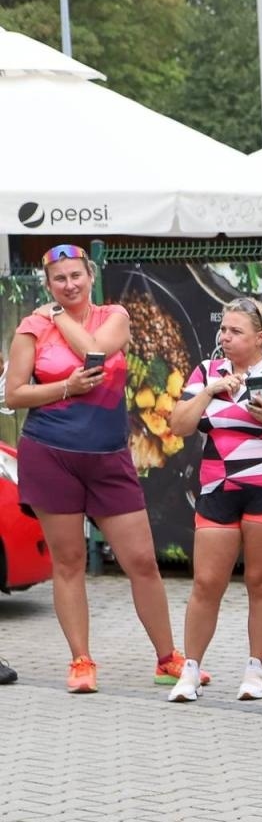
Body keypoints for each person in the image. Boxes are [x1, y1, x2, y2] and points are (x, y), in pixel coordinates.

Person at [4, 244, 196, 693]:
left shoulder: (114, 317)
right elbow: (14, 395)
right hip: (50, 453)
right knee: (69, 562)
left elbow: (94, 351)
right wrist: (65, 388)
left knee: (142, 561)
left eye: (76, 276)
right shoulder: (29, 330)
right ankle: (81, 661)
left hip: (110, 456)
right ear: (48, 283)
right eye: (59, 279)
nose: (69, 285)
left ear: (90, 276)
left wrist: (57, 317)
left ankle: (168, 659)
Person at [165, 298, 262, 703]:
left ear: (259, 338)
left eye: (235, 331)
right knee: (206, 583)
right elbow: (178, 425)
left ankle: (256, 670)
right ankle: (190, 671)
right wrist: (210, 390)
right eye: (223, 330)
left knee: (260, 583)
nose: (224, 337)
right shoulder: (206, 371)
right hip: (216, 489)